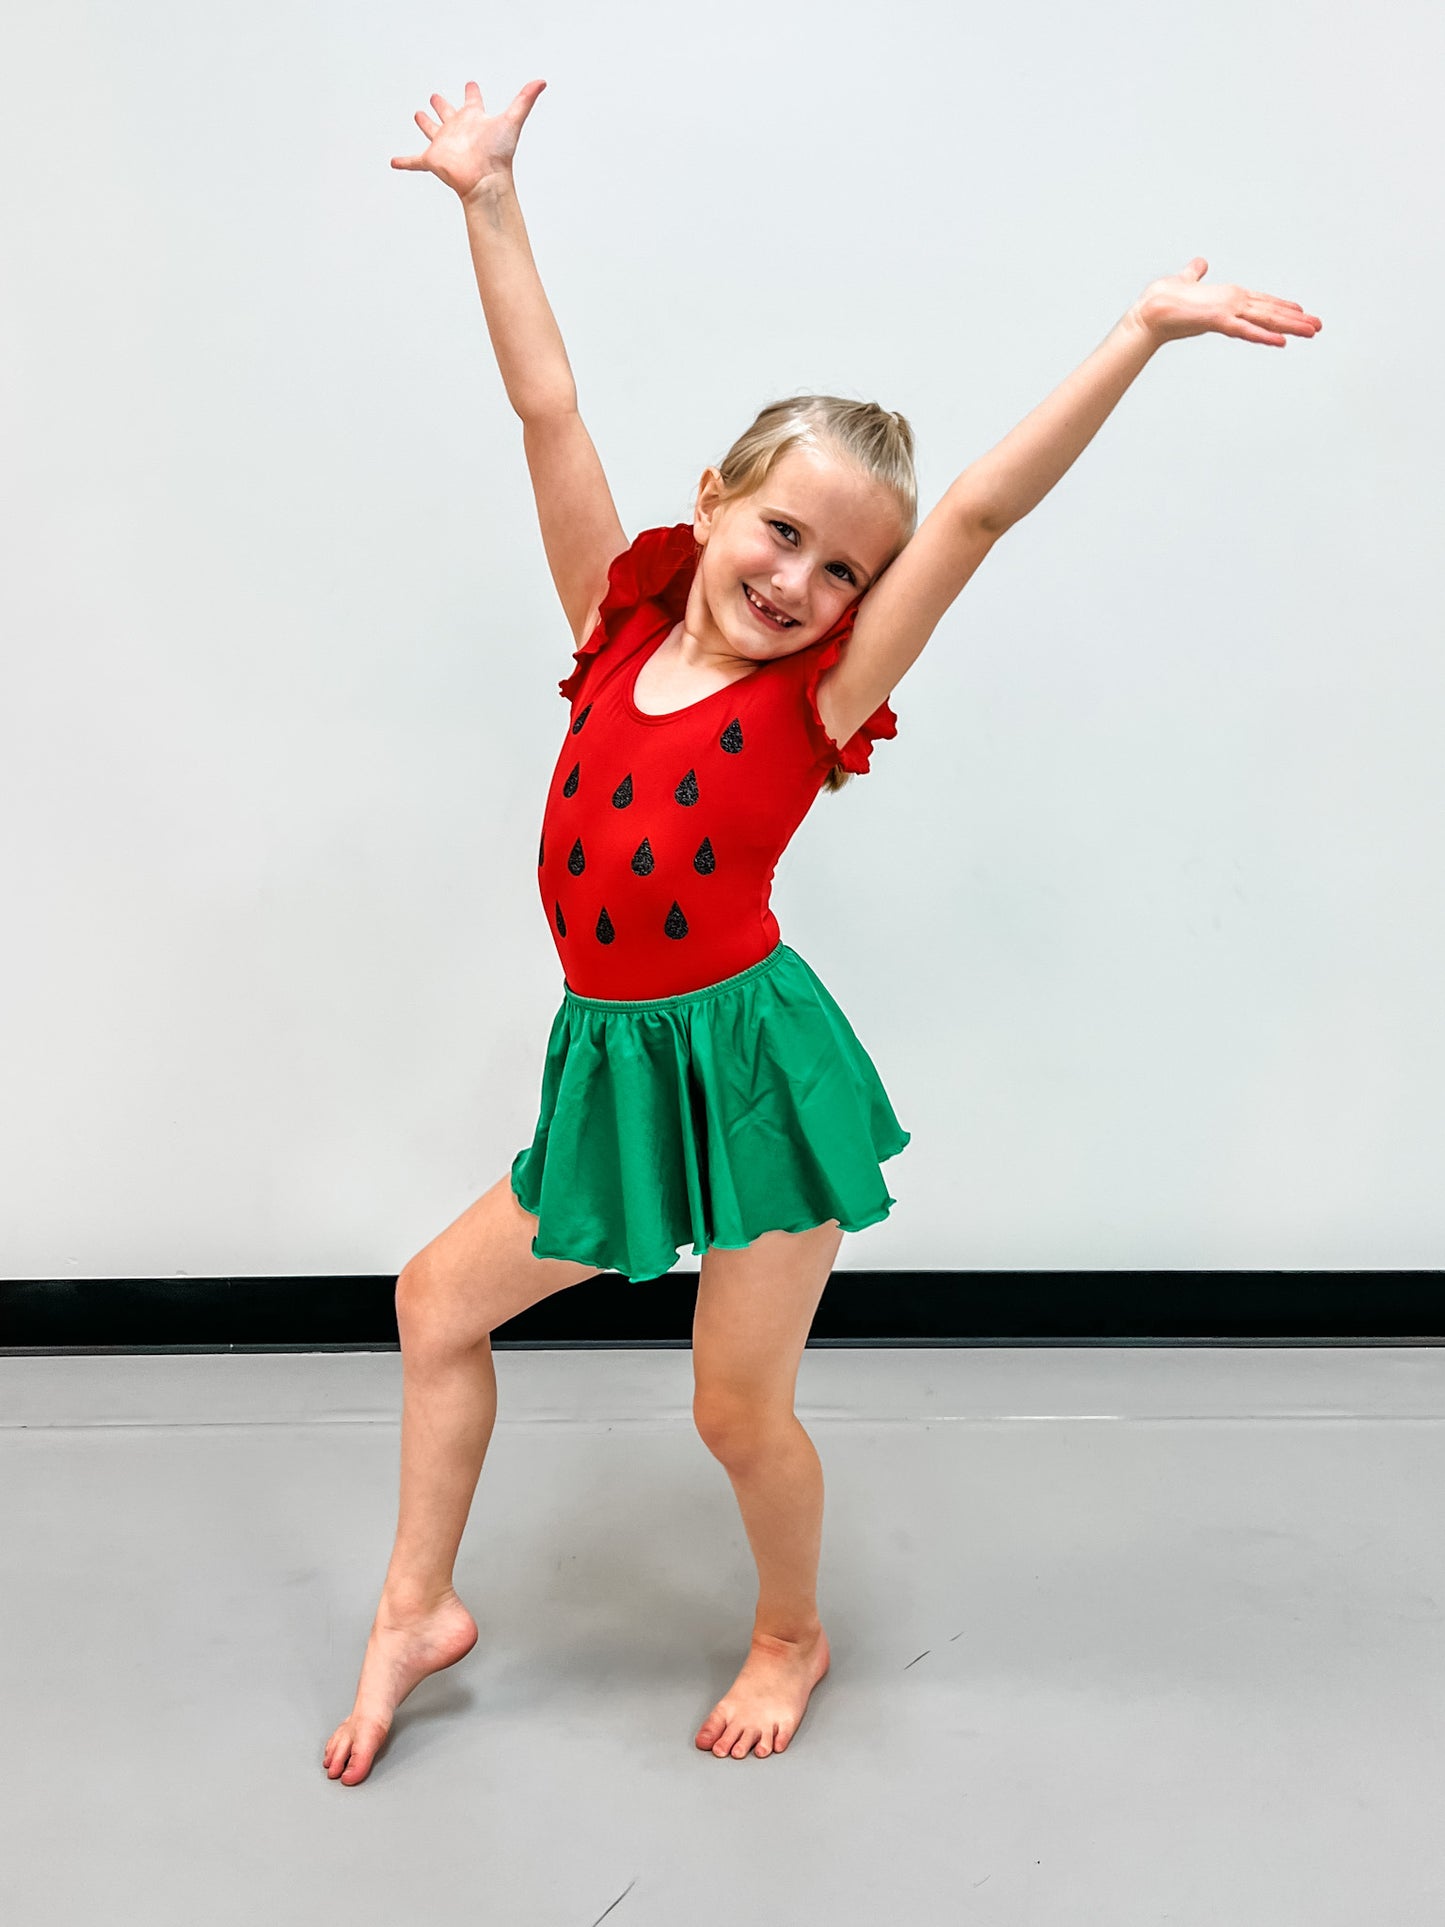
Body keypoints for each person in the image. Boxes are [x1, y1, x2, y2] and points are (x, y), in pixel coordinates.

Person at [323, 75, 1322, 1785]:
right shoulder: (605, 623)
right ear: (711, 502)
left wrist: (1137, 334)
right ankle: (413, 1608)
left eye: (842, 570)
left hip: (756, 1069)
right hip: (618, 1067)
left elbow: (984, 513)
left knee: (731, 1409)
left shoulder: (815, 705)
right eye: (781, 533)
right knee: (435, 1305)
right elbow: (546, 410)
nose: (799, 584)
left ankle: (790, 1626)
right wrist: (487, 199)